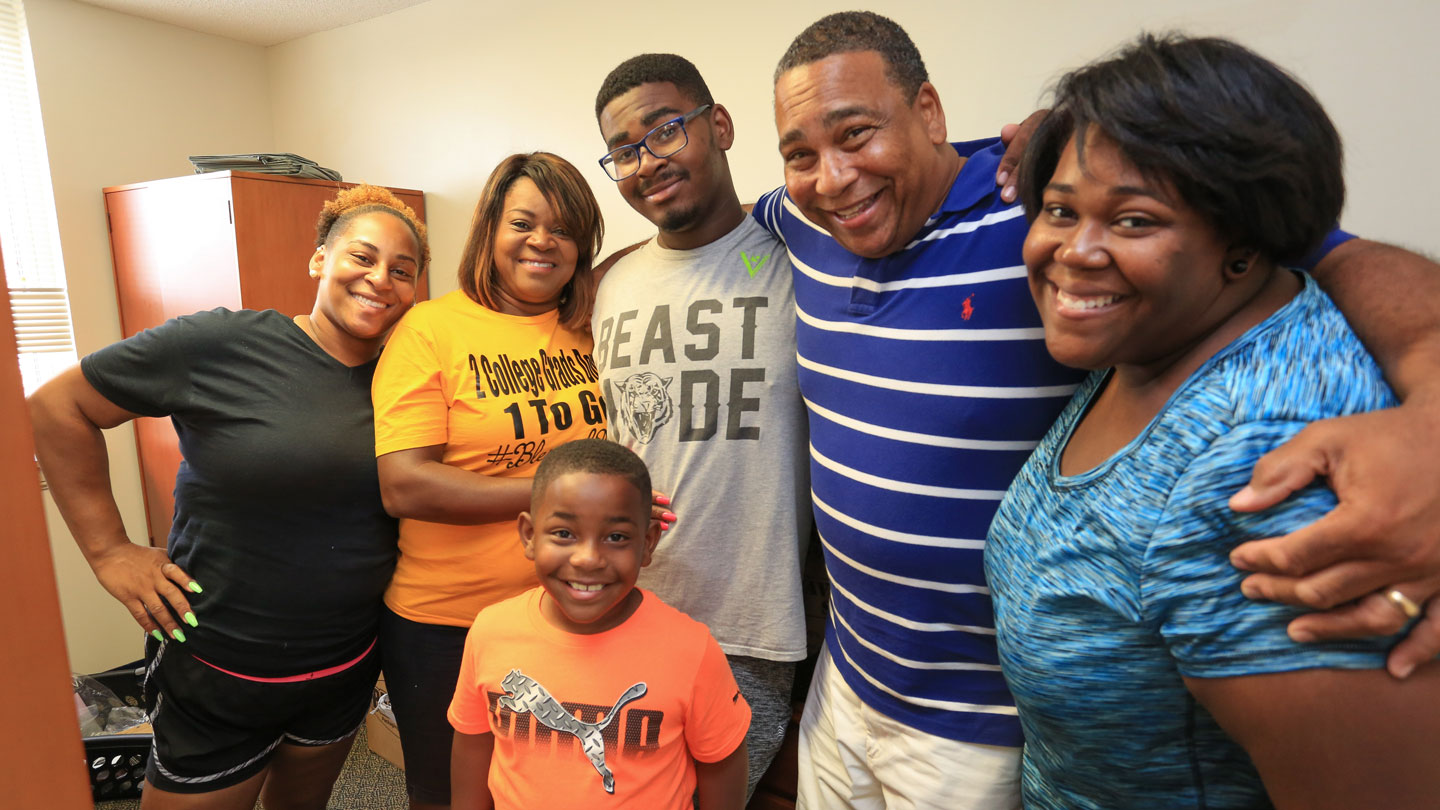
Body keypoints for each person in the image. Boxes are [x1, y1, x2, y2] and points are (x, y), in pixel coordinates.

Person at [754, 10, 1440, 808]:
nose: (832, 178)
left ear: (930, 112)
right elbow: (706, 219)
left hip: (976, 736)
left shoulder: (1026, 198)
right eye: (800, 154)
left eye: (856, 134)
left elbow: (1336, 255)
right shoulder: (811, 220)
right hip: (851, 684)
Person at [985, 34, 1440, 808]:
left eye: (1132, 220)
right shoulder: (1149, 348)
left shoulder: (1264, 468)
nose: (1075, 251)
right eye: (1060, 209)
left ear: (1243, 244)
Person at [27, 185, 427, 810]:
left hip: (343, 663)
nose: (381, 279)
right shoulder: (224, 344)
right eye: (362, 257)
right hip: (222, 665)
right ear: (320, 259)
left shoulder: (409, 377)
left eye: (403, 271)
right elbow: (56, 406)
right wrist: (109, 550)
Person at [591, 53, 810, 797]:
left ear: (718, 126)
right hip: (621, 610)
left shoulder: (800, 258)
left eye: (665, 131)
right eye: (624, 150)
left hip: (749, 629)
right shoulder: (612, 285)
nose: (646, 161)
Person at [371, 152, 612, 810]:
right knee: (456, 798)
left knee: (559, 791)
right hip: (450, 627)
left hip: (573, 615)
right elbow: (406, 486)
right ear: (490, 232)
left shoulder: (589, 330)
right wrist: (563, 495)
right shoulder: (430, 329)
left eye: (564, 229)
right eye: (524, 223)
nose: (542, 241)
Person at [448, 438, 750, 809]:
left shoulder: (693, 650)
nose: (588, 559)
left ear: (648, 543)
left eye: (616, 537)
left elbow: (723, 763)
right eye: (564, 533)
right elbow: (473, 742)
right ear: (528, 535)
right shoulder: (490, 631)